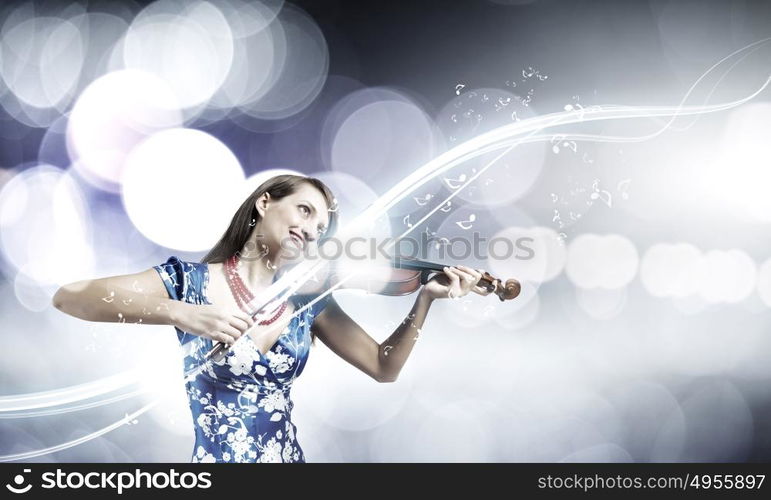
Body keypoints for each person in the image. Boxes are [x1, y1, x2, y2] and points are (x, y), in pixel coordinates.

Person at [52, 174, 485, 463]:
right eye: (305, 211)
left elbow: (383, 366)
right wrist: (182, 312)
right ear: (265, 202)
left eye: (321, 227)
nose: (313, 229)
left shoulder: (308, 301)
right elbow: (71, 297)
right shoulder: (190, 282)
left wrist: (424, 300)